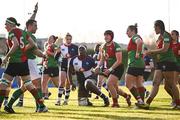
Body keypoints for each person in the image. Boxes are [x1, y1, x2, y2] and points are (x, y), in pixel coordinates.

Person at [0, 17, 47, 113]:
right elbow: (33, 44)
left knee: (3, 83)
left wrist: (7, 57)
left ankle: (3, 105)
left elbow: (16, 44)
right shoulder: (23, 32)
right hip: (24, 62)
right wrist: (24, 50)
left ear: (11, 24)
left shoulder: (12, 32)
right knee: (29, 84)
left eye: (6, 24)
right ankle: (41, 106)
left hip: (14, 62)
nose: (5, 26)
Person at [145, 20, 180, 109]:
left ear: (158, 27)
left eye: (154, 27)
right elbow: (160, 51)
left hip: (168, 62)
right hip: (160, 63)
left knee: (171, 84)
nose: (154, 29)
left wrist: (151, 51)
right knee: (155, 83)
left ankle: (178, 104)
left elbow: (165, 49)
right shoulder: (160, 37)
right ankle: (147, 103)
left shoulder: (166, 35)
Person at [95, 30, 131, 107]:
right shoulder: (102, 46)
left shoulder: (116, 46)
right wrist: (98, 67)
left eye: (108, 35)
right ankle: (127, 96)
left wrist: (109, 70)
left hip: (118, 68)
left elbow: (119, 61)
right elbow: (102, 59)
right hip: (110, 68)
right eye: (105, 35)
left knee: (109, 83)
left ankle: (115, 103)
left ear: (112, 36)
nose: (106, 37)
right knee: (115, 89)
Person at [125, 24, 148, 109]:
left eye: (127, 31)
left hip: (134, 64)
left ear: (132, 31)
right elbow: (144, 48)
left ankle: (140, 101)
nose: (126, 33)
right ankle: (142, 103)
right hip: (141, 64)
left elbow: (140, 42)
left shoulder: (135, 37)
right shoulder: (137, 37)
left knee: (127, 84)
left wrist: (137, 53)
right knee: (139, 84)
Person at [56, 33, 78, 105]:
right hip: (63, 65)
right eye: (67, 39)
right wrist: (57, 52)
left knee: (68, 83)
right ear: (64, 40)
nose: (69, 41)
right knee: (62, 82)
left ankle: (66, 100)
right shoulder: (61, 46)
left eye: (70, 39)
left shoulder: (75, 47)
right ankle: (58, 100)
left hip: (71, 67)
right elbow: (55, 58)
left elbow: (77, 57)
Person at [164, 30, 180, 106]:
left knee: (173, 84)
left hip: (176, 66)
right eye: (170, 34)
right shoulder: (168, 45)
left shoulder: (179, 45)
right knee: (166, 86)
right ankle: (174, 98)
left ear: (177, 36)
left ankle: (176, 101)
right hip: (169, 66)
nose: (171, 36)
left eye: (173, 34)